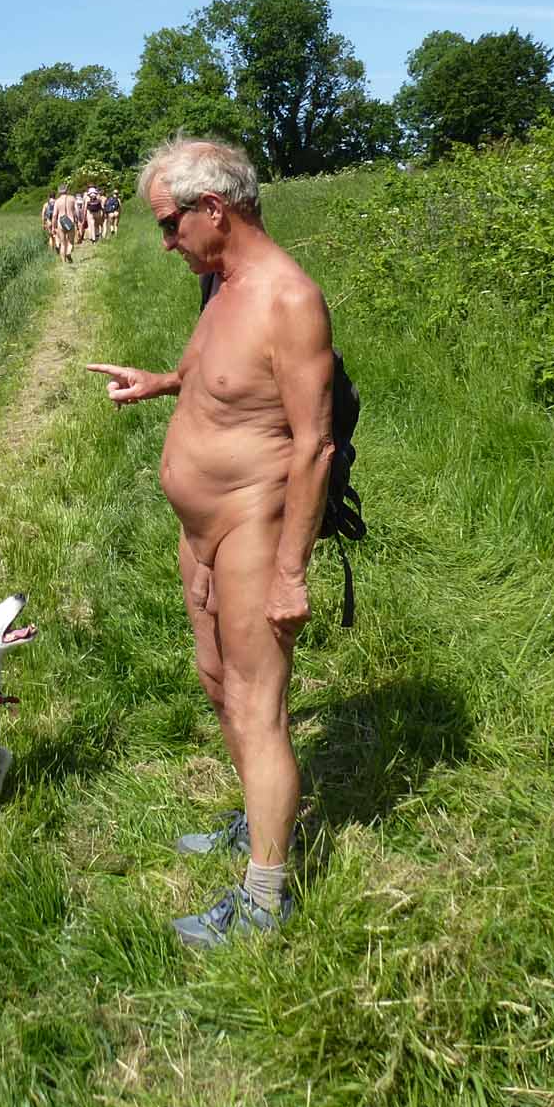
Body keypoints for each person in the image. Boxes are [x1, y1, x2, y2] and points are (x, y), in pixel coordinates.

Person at [85, 140, 336, 947]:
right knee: (217, 680)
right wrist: (161, 382)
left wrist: (290, 574)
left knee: (259, 706)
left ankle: (266, 897)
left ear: (214, 210)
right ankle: (256, 821)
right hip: (201, 530)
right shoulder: (220, 285)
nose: (166, 242)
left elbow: (314, 445)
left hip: (253, 525)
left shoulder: (288, 299)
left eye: (169, 224)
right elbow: (218, 377)